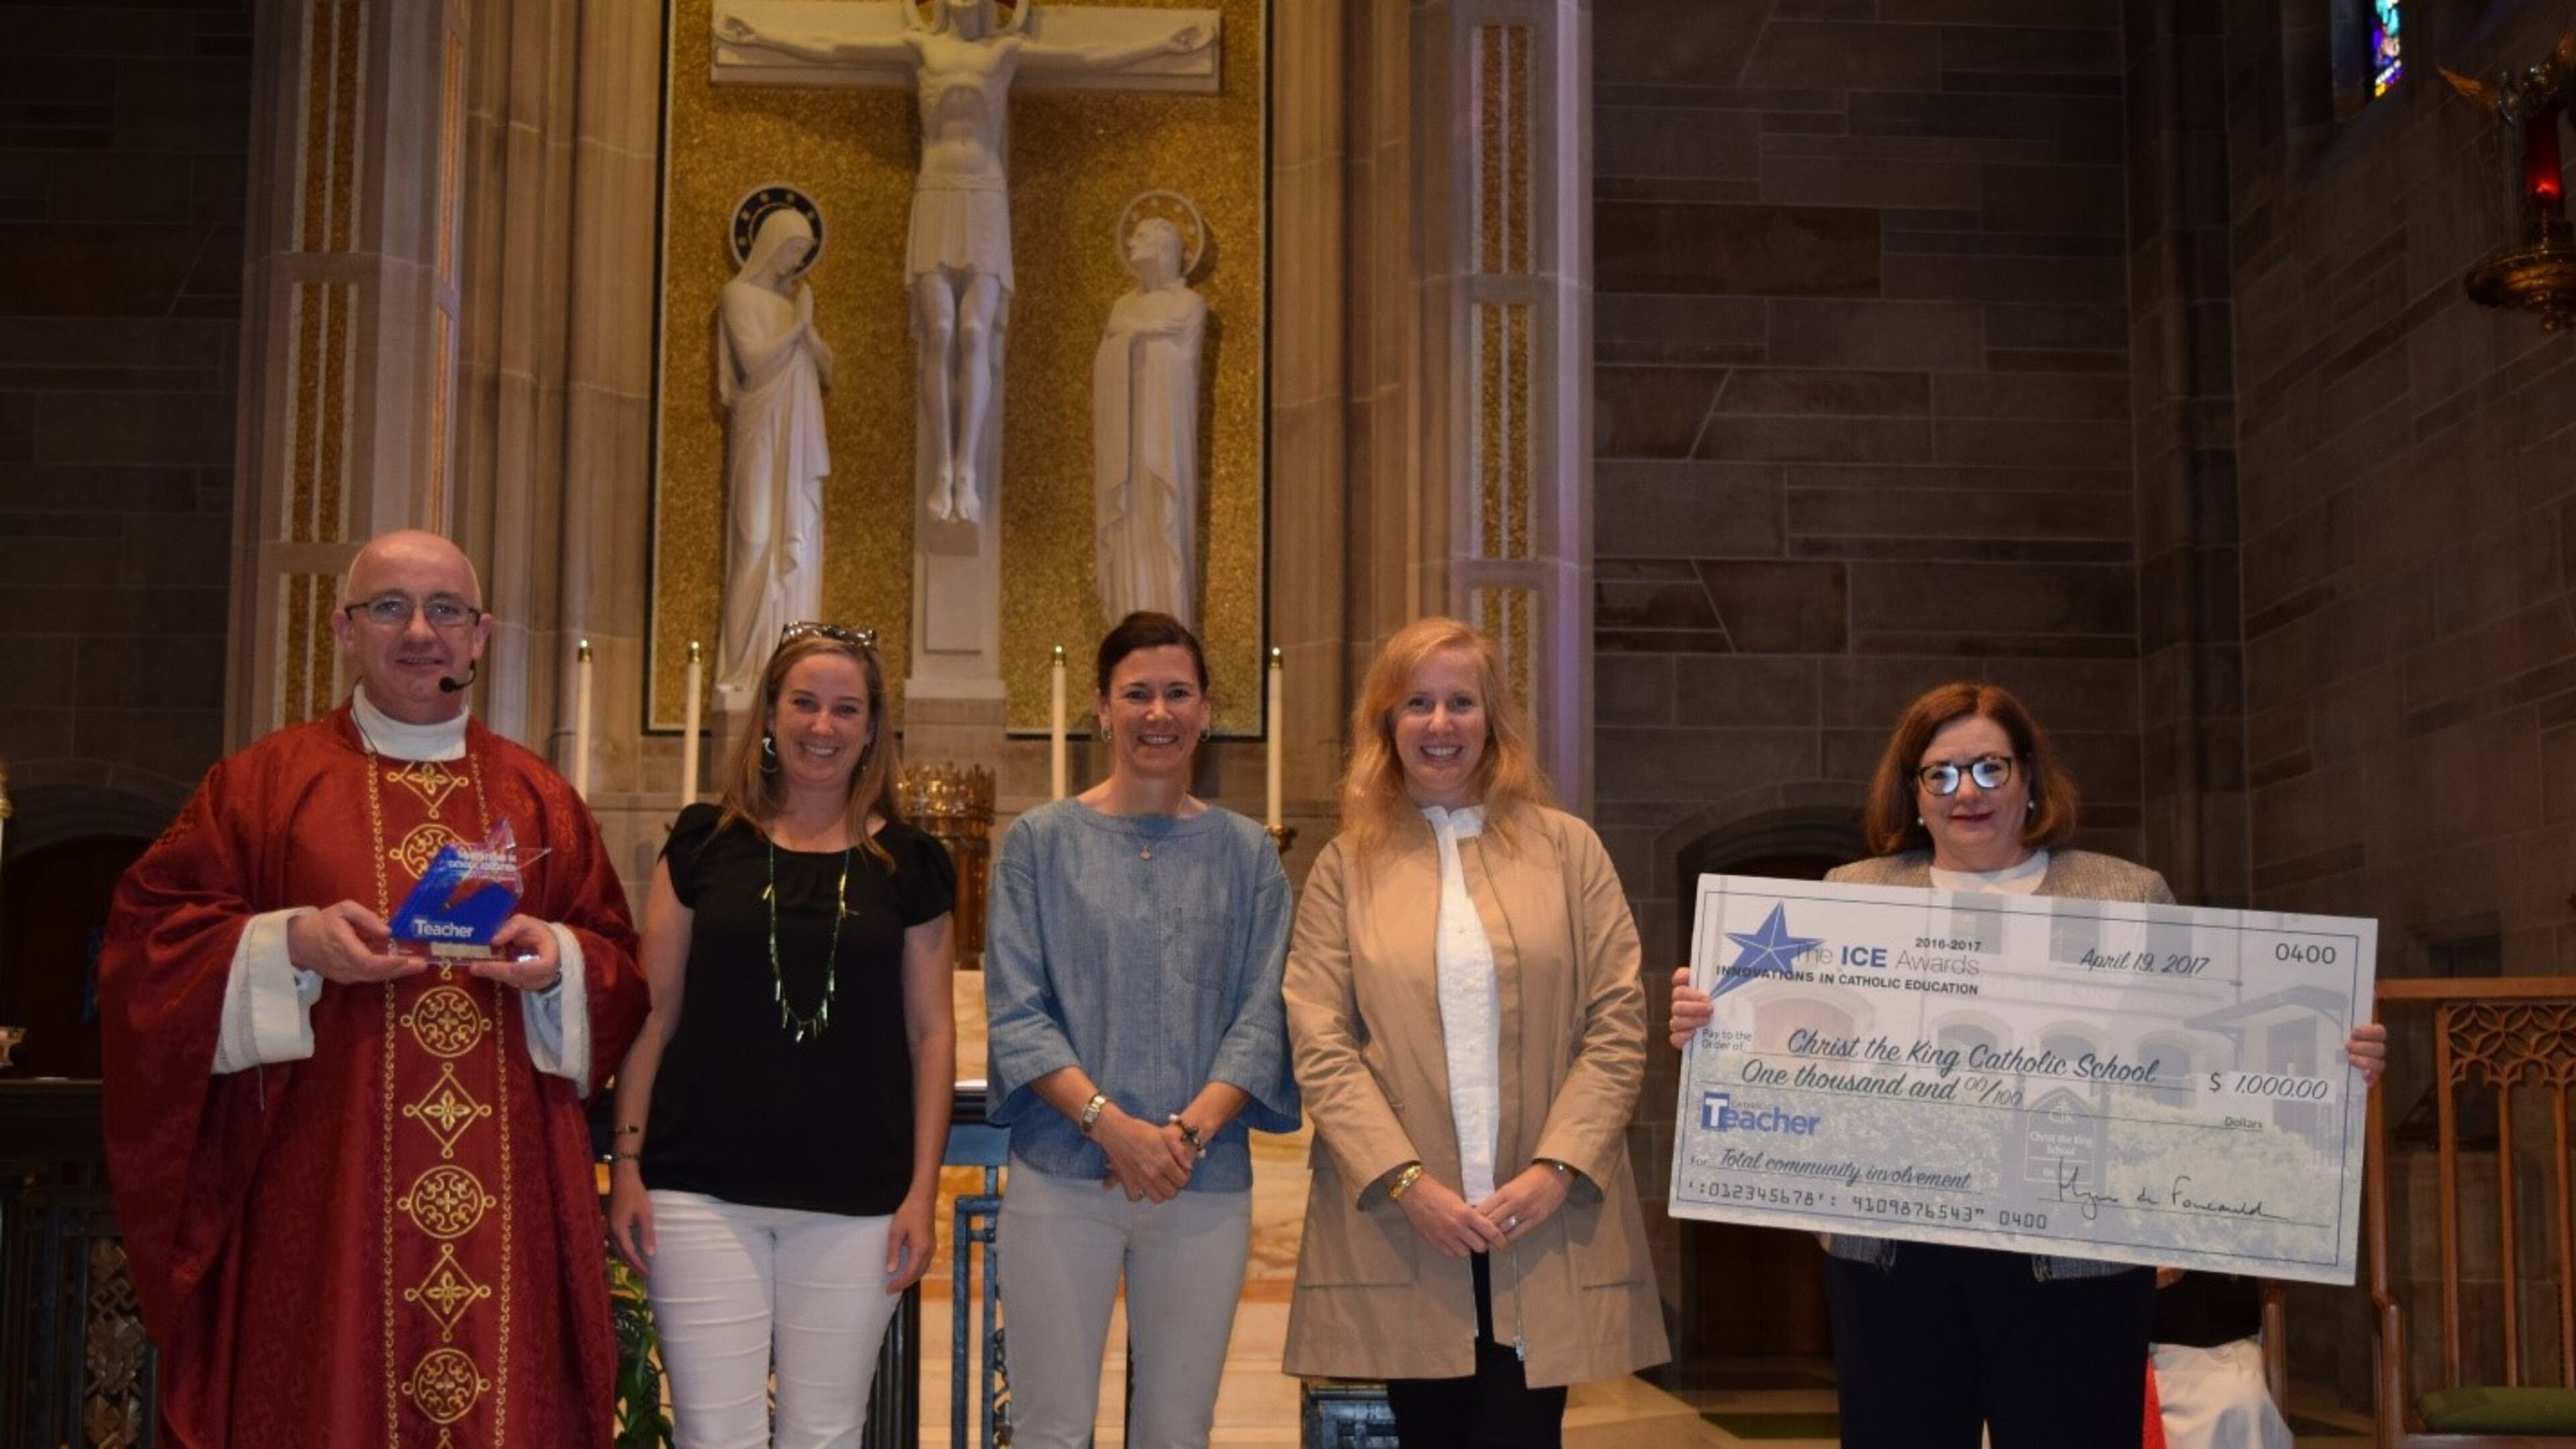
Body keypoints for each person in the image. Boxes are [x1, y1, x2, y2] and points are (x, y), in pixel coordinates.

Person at [1667, 680, 2386, 1449]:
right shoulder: (1854, 895)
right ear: (1912, 792)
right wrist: (1716, 1027)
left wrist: (2333, 1066)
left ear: (2030, 778)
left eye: (1989, 768)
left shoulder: (2125, 894)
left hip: (2077, 1263)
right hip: (1893, 1263)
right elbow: (1799, 1049)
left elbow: (2199, 1071)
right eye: (1939, 774)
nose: (1964, 792)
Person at [98, 529, 650, 1447]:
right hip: (324, 1195)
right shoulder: (262, 786)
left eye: (445, 611)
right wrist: (292, 944)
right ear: (344, 630)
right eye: (389, 606)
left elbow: (619, 968)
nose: (419, 631)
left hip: (502, 1202)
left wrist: (556, 961)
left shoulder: (539, 797)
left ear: (481, 635)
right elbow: (147, 947)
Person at [1282, 617, 1668, 1448]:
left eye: (1462, 702)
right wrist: (1406, 1183)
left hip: (1540, 1215)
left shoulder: (1569, 852)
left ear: (1494, 718)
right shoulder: (1345, 867)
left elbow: (1616, 1021)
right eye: (1417, 703)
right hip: (1411, 1222)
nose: (1440, 724)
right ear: (1386, 724)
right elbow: (1320, 1040)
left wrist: (1557, 1168)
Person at [606, 623, 956, 1447]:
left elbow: (932, 1033)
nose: (821, 726)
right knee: (713, 1435)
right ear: (769, 715)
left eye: (846, 708)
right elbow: (653, 1011)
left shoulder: (910, 864)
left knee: (824, 1435)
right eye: (803, 703)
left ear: (872, 729)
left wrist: (921, 1192)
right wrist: (626, 1164)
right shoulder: (703, 843)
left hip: (858, 1199)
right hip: (699, 1192)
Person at [982, 610, 1299, 1449]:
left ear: (1204, 710)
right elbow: (1017, 1009)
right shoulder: (1038, 845)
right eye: (1137, 694)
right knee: (1050, 1427)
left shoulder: (1247, 855)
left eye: (1177, 693)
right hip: (1061, 1177)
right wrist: (1112, 1128)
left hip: (1202, 1181)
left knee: (1177, 1430)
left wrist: (1185, 1135)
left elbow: (1263, 1012)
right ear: (1100, 707)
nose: (1157, 712)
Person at [713, 0, 1212, 524]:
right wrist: (760, 36)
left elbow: (1088, 55)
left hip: (984, 194)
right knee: (942, 330)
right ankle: (943, 474)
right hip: (936, 194)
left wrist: (1162, 45)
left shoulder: (1005, 52)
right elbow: (833, 48)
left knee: (975, 330)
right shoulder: (921, 47)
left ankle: (965, 468)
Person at [714, 207, 833, 714]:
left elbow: (827, 369)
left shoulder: (794, 304)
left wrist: (808, 331)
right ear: (770, 244)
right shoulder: (738, 295)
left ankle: (790, 666)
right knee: (756, 540)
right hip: (761, 429)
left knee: (799, 552)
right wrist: (798, 326)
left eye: (804, 255)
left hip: (798, 435)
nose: (796, 263)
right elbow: (755, 360)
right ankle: (743, 668)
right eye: (791, 250)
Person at [1092, 215, 1208, 629]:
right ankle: (1126, 625)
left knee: (1163, 524)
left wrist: (1137, 340)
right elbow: (1105, 363)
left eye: (1144, 237)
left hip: (1162, 440)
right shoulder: (1122, 308)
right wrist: (1138, 339)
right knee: (1126, 531)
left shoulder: (1188, 305)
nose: (1133, 244)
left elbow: (1181, 365)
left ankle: (1170, 626)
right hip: (1124, 440)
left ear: (1166, 249)